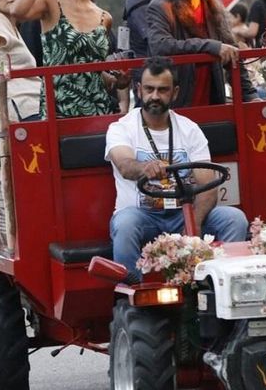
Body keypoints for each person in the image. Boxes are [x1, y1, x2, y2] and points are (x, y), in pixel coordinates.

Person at [106, 56, 248, 278]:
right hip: (143, 217)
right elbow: (125, 165)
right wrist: (145, 168)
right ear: (139, 90)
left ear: (175, 93)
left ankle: (227, 284)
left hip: (184, 213)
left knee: (234, 218)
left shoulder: (190, 129)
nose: (155, 96)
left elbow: (208, 185)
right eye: (149, 89)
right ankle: (131, 288)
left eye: (163, 90)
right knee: (125, 223)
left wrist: (194, 225)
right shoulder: (120, 128)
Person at [11, 0, 125, 118]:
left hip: (98, 112)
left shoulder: (105, 17)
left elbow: (92, 70)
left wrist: (118, 81)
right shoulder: (50, 2)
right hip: (57, 112)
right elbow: (16, 10)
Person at [146, 0, 258, 107]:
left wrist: (251, 97)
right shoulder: (160, 6)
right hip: (176, 109)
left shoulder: (214, 8)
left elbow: (232, 54)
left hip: (212, 106)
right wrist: (211, 46)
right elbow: (160, 46)